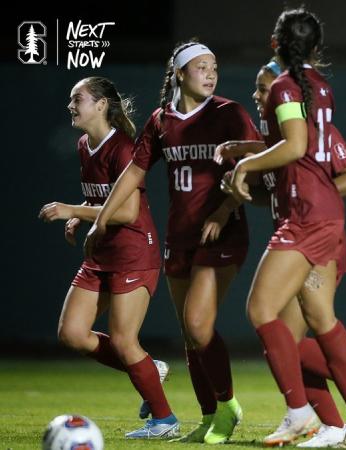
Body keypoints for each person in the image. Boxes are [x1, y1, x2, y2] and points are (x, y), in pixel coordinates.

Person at [84, 41, 261, 444]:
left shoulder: (229, 113)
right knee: (190, 333)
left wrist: (223, 209)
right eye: (201, 66)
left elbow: (252, 166)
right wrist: (101, 221)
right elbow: (133, 173)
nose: (211, 73)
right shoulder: (162, 120)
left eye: (214, 66)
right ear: (180, 72)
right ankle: (209, 415)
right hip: (180, 238)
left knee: (199, 325)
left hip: (223, 233)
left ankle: (229, 406)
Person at [227, 8, 346, 448]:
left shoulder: (285, 86)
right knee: (318, 315)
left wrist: (245, 162)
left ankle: (300, 412)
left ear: (276, 44)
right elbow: (304, 144)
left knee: (262, 311)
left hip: (306, 215)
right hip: (321, 211)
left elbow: (295, 145)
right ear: (316, 47)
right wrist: (253, 153)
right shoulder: (320, 85)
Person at [39, 76, 179, 438]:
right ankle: (149, 367)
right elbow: (101, 200)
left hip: (133, 252)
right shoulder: (86, 144)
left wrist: (72, 208)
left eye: (78, 99)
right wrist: (80, 213)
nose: (71, 105)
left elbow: (127, 211)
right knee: (72, 333)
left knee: (123, 340)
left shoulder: (123, 148)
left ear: (101, 104)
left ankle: (164, 421)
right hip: (101, 252)